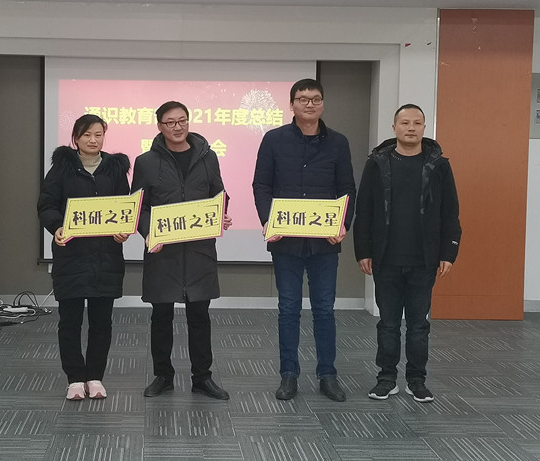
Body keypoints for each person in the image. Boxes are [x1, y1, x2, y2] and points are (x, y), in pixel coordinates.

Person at [252, 79, 356, 402]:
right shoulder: (274, 140)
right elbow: (261, 185)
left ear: (323, 104)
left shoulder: (338, 142)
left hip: (325, 242)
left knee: (324, 309)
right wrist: (268, 220)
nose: (309, 104)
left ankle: (328, 375)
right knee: (288, 309)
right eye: (303, 99)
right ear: (292, 104)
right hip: (286, 242)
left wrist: (343, 224)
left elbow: (347, 189)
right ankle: (289, 375)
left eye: (315, 99)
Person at [353, 104, 461, 403]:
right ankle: (386, 378)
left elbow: (450, 211)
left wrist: (448, 252)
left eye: (417, 123)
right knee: (388, 324)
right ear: (394, 127)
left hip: (424, 260)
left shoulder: (439, 165)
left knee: (418, 326)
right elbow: (365, 209)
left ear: (424, 128)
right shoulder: (377, 163)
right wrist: (363, 250)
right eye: (405, 123)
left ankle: (416, 380)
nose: (411, 128)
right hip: (385, 258)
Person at [131, 101, 231, 400]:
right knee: (161, 316)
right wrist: (148, 233)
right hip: (163, 252)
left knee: (200, 316)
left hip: (199, 250)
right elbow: (139, 207)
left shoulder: (208, 157)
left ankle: (202, 377)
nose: (178, 127)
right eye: (171, 122)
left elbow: (219, 193)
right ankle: (163, 376)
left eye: (182, 120)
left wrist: (221, 213)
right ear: (160, 126)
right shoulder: (146, 161)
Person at [38, 114, 130, 400]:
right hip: (72, 256)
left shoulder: (115, 169)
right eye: (87, 134)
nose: (93, 140)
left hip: (106, 257)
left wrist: (124, 231)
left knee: (102, 322)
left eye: (98, 134)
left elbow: (125, 207)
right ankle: (75, 379)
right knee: (70, 321)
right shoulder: (62, 168)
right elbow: (46, 205)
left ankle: (95, 377)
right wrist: (57, 226)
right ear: (76, 138)